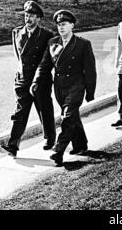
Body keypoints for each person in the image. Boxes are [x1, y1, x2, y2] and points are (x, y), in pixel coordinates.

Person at [31, 10, 97, 166]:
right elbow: (44, 65)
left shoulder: (82, 44)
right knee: (72, 116)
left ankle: (58, 151)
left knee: (67, 117)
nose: (61, 28)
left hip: (76, 85)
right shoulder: (53, 43)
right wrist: (36, 81)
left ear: (72, 25)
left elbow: (90, 70)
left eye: (64, 24)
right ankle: (80, 145)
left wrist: (90, 91)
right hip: (60, 87)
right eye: (59, 25)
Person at [1, 1, 55, 158]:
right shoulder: (16, 32)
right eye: (26, 15)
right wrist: (21, 73)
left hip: (40, 81)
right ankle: (12, 146)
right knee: (20, 113)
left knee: (44, 110)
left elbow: (47, 61)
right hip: (23, 80)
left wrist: (37, 79)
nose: (28, 19)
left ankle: (50, 139)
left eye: (31, 16)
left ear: (38, 18)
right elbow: (19, 57)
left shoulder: (46, 35)